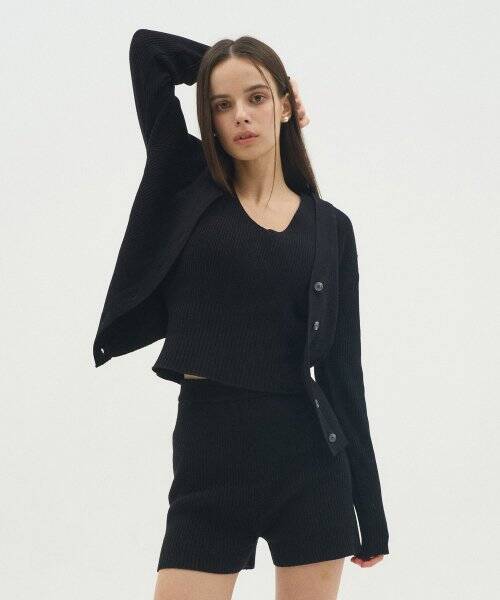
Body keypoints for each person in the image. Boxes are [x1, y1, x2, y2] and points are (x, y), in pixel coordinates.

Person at [93, 28, 389, 600]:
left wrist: (369, 513)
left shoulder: (331, 228)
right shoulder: (185, 180)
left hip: (310, 460)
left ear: (286, 105)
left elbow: (343, 372)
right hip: (211, 455)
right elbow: (147, 51)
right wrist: (224, 67)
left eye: (257, 97)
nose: (241, 116)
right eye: (221, 105)